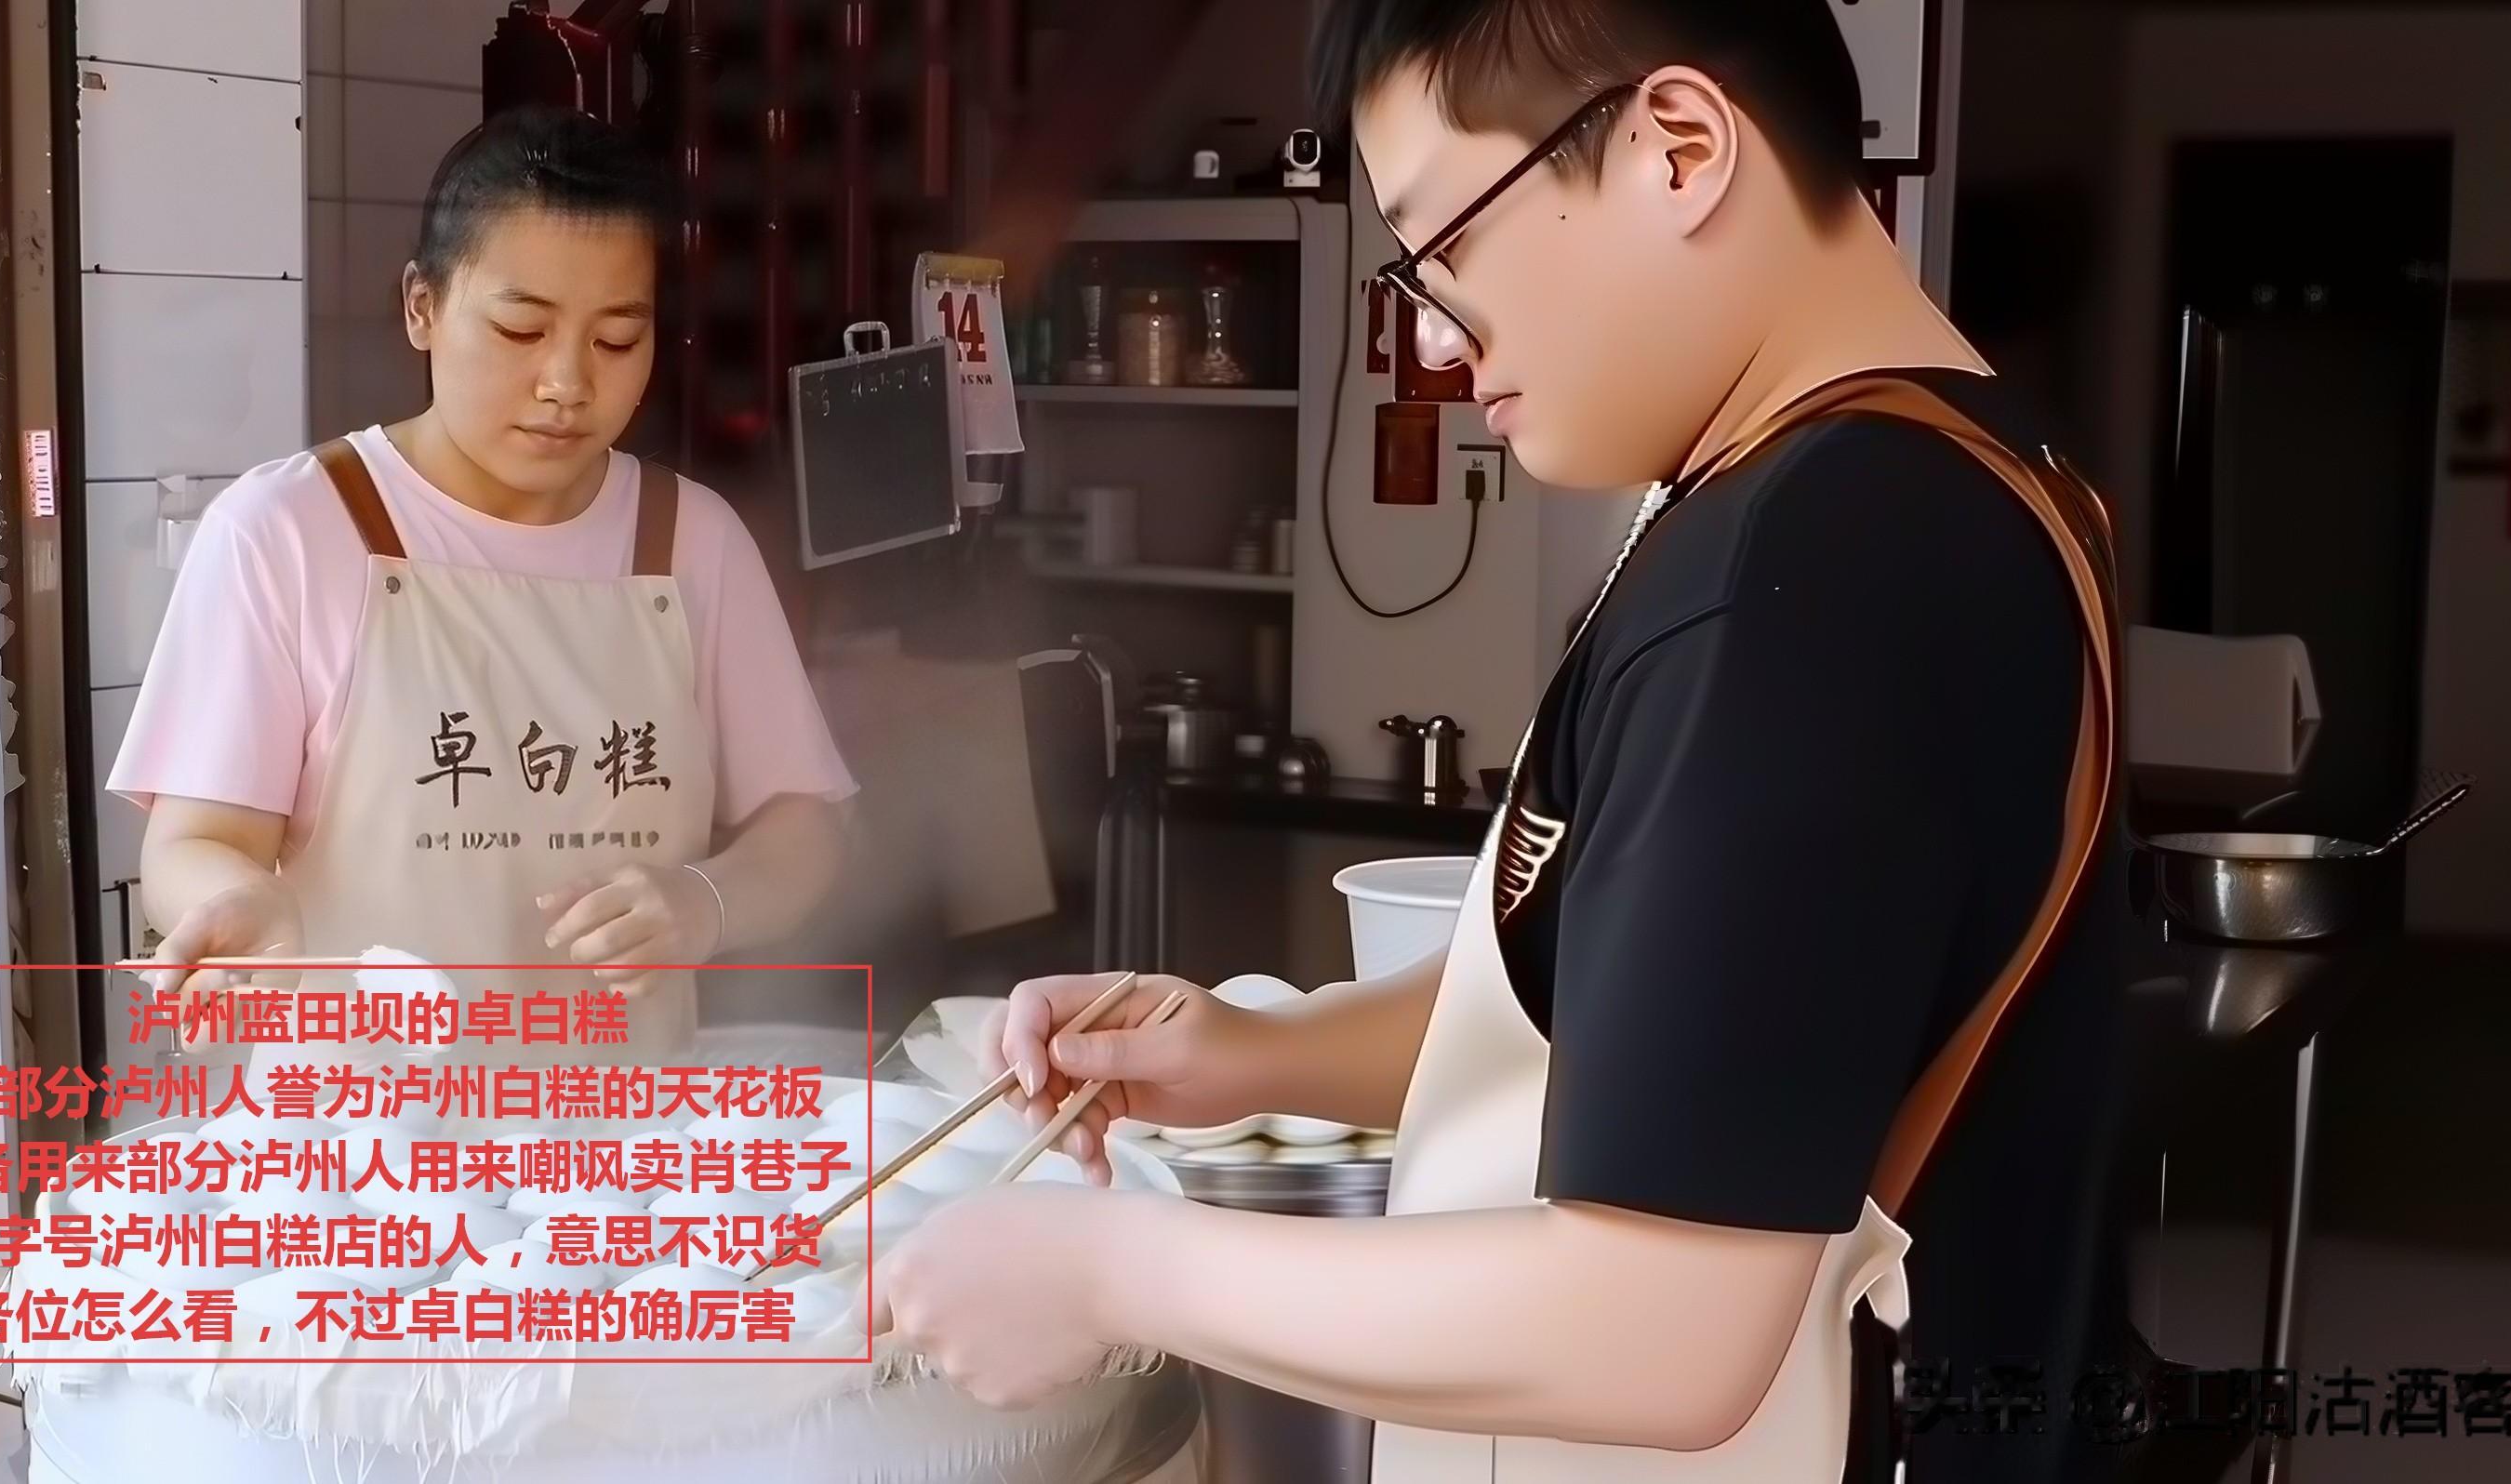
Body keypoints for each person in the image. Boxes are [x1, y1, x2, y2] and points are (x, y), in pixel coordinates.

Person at [868, 5, 2126, 1482]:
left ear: (1676, 149)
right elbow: (1662, 1018)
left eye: (1443, 246)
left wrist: (1108, 1273)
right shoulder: (1929, 483)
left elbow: (1661, 1326)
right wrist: (1259, 1053)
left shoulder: (1813, 570)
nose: (1427, 334)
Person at [113, 107, 856, 1068]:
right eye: (520, 329)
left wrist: (705, 901)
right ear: (421, 307)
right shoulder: (288, 531)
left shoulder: (692, 541)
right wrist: (243, 899)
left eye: (616, 340)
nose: (566, 383)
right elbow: (193, 839)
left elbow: (804, 828)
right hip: (358, 1133)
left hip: (624, 1133)